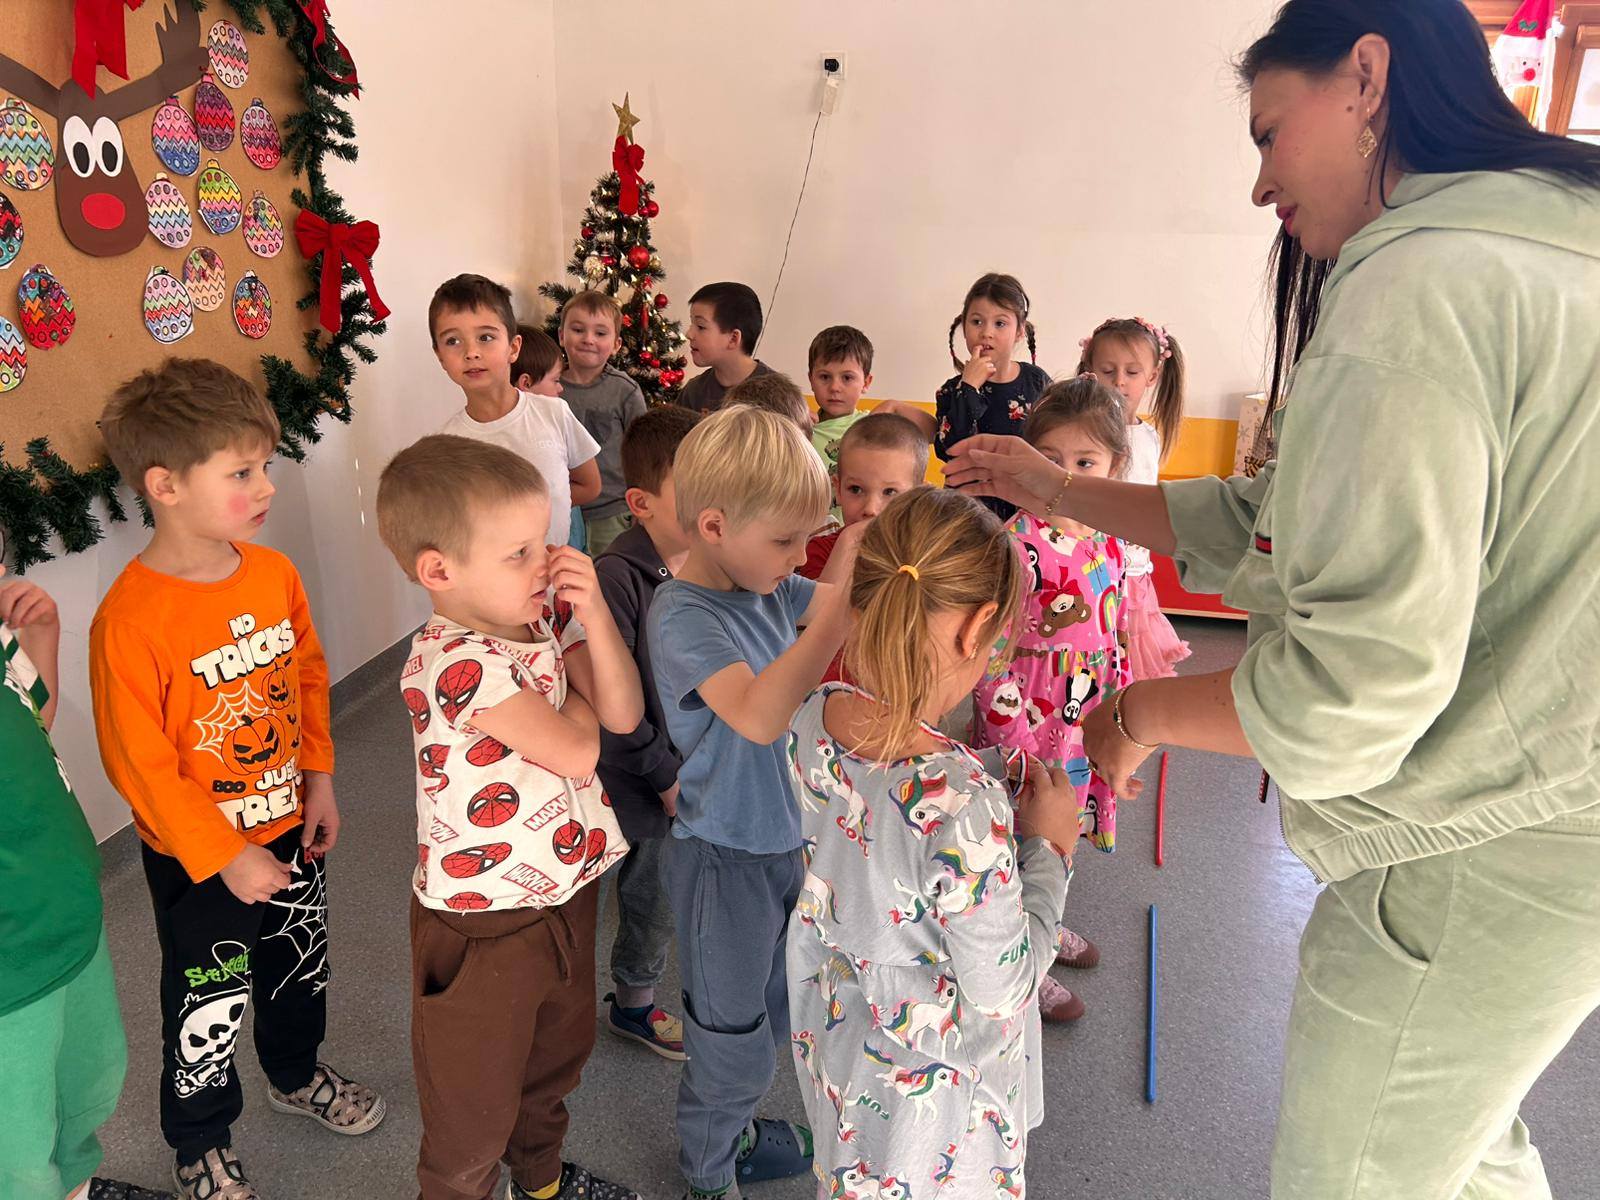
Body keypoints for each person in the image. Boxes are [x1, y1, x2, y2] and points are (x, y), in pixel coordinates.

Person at [945, 1, 1600, 1193]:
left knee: (1359, 1171)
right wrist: (1058, 490)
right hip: (1559, 816)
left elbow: (1353, 687)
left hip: (1489, 836)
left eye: (1266, 133)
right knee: (1460, 1143)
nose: (1258, 186)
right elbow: (1276, 522)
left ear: (1366, 77)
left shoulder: (1421, 284)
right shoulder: (1556, 239)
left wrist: (1137, 712)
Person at [90, 359, 383, 1200]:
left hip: (290, 824)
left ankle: (294, 1074)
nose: (266, 486)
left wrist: (319, 776)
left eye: (266, 466)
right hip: (200, 859)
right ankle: (200, 1142)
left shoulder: (271, 573)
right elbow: (139, 764)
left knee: (297, 968)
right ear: (165, 485)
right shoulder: (130, 620)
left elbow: (308, 679)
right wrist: (224, 854)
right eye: (242, 472)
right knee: (206, 1004)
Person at [786, 485, 1076, 1199]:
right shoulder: (963, 804)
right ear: (978, 628)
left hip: (840, 1041)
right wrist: (1050, 853)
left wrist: (981, 774)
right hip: (938, 1108)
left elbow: (881, 808)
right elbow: (1003, 989)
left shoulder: (815, 714)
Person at [377, 434, 645, 1200]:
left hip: (567, 889)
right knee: (471, 1113)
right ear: (440, 572)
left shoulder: (544, 621)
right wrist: (579, 705)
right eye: (519, 553)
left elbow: (621, 715)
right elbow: (580, 751)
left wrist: (593, 615)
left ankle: (541, 1180)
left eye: (546, 541)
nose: (547, 564)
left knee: (554, 1064)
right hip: (483, 922)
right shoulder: (453, 663)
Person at [645, 406, 859, 1200]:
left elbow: (835, 596)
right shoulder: (684, 613)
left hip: (783, 844)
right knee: (727, 1037)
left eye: (810, 538)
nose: (801, 558)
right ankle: (708, 1171)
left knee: (772, 1006)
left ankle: (732, 1128)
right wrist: (830, 623)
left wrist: (876, 555)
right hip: (723, 859)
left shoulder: (763, 579)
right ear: (714, 526)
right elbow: (758, 714)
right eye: (787, 541)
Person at [0, 571, 169, 1200]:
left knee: (86, 1079)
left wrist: (40, 637)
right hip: (11, 961)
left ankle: (75, 1184)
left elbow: (33, 722)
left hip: (66, 910)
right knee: (15, 1140)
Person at [970, 377, 1133, 1022]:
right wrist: (1012, 743)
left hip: (1085, 717)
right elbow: (989, 655)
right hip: (1027, 722)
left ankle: (1048, 916)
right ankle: (1022, 959)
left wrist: (1122, 720)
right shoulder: (1017, 545)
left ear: (1115, 465)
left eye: (1085, 462)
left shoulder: (1110, 538)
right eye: (1051, 460)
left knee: (1066, 827)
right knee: (1020, 836)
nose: (1065, 477)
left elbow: (1114, 633)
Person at [593, 405, 702, 1060]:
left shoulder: (709, 563)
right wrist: (663, 773)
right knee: (648, 893)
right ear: (641, 504)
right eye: (695, 492)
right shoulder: (618, 577)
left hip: (690, 766)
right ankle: (632, 1004)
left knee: (670, 885)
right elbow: (614, 702)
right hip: (640, 775)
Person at [430, 274, 601, 548]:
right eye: (453, 341)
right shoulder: (447, 445)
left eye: (485, 337)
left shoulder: (554, 413)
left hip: (557, 570)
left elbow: (590, 485)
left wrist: (536, 508)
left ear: (513, 347)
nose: (471, 352)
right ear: (440, 356)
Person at [1077, 316, 1192, 679]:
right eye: (1108, 371)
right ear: (1090, 370)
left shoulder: (1149, 437)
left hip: (1133, 570)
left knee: (1131, 662)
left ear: (1152, 376)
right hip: (1091, 564)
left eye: (1132, 372)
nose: (1119, 382)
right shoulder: (1083, 433)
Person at [896, 273, 1049, 522]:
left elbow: (1053, 441)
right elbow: (949, 450)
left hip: (1023, 512)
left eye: (1000, 323)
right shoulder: (951, 390)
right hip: (966, 514)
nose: (986, 332)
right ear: (964, 327)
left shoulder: (1037, 381)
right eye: (977, 322)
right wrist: (968, 388)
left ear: (1020, 331)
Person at [798, 411, 929, 685]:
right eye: (856, 490)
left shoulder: (924, 557)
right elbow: (813, 624)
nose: (871, 509)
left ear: (918, 496)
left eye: (890, 492)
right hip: (827, 692)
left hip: (894, 691)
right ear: (838, 488)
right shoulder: (823, 549)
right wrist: (847, 542)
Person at [558, 291, 648, 557]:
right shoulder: (549, 388)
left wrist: (643, 505)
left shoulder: (625, 391)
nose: (588, 339)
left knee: (608, 575)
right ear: (561, 335)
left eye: (600, 333)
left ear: (616, 344)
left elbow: (643, 453)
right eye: (578, 330)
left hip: (612, 511)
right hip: (563, 509)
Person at [678, 282, 773, 413]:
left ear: (733, 338)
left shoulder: (776, 396)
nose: (689, 334)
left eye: (700, 326)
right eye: (691, 324)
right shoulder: (693, 393)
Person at [804, 325, 875, 475]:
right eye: (825, 377)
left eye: (847, 378)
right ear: (811, 380)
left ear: (866, 383)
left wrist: (893, 406)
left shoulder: (873, 425)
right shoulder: (802, 429)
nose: (835, 387)